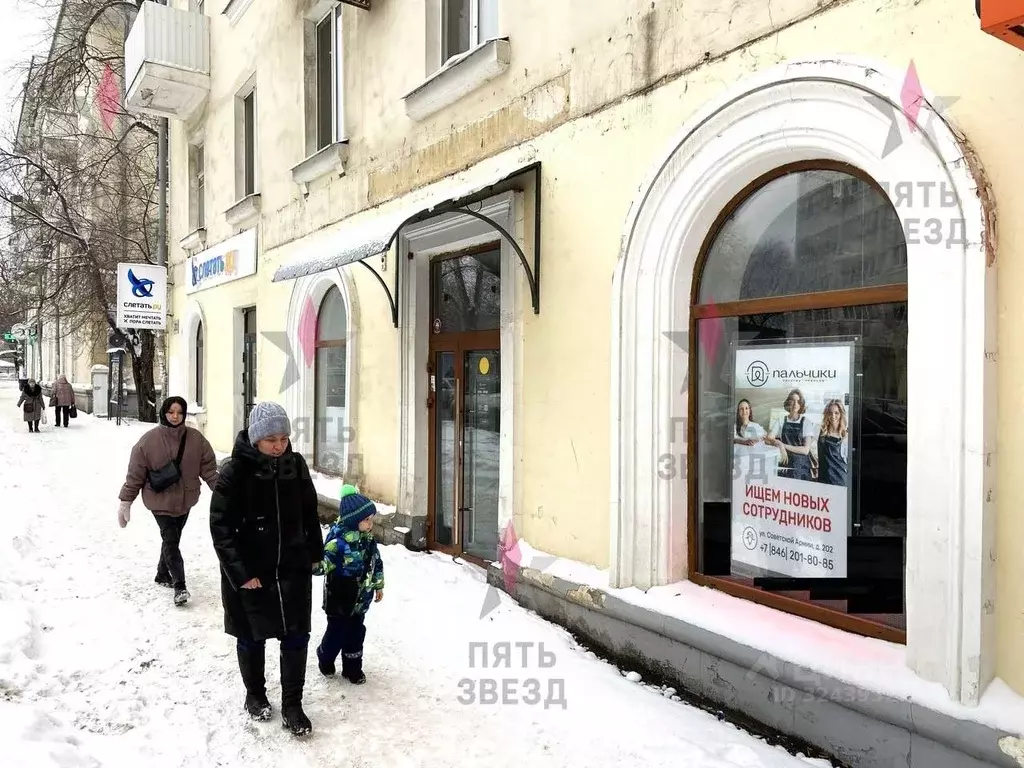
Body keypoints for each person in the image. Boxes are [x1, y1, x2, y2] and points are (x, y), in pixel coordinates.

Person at [208, 402, 323, 737]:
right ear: (256, 437)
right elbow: (220, 527)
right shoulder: (234, 471)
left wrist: (314, 554)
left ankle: (292, 704)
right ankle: (255, 694)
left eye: (284, 437)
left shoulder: (295, 465)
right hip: (251, 573)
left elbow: (309, 513)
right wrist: (241, 573)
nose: (279, 445)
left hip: (292, 569)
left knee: (296, 636)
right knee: (251, 637)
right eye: (271, 438)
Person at [117, 396, 220, 606]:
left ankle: (162, 573)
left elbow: (209, 470)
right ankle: (179, 585)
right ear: (164, 412)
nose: (175, 416)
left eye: (179, 412)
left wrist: (224, 493)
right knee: (171, 540)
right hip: (159, 502)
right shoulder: (148, 441)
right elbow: (135, 474)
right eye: (171, 412)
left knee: (172, 540)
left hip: (185, 500)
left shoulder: (196, 439)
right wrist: (126, 501)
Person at [314, 484, 385, 685]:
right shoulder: (338, 542)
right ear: (354, 521)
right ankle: (325, 657)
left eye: (371, 520)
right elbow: (323, 564)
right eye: (366, 520)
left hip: (360, 598)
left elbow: (376, 562)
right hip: (339, 598)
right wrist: (312, 564)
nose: (371, 524)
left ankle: (352, 669)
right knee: (336, 634)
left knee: (356, 634)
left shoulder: (368, 540)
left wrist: (378, 585)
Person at [766, 388, 816, 482]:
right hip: (785, 464)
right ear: (788, 403)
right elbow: (768, 439)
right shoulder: (781, 420)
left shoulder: (806, 422)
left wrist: (783, 445)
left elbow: (805, 450)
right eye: (792, 400)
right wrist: (779, 444)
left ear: (801, 404)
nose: (795, 404)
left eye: (798, 401)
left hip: (801, 468)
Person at [817, 399, 850, 487]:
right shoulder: (821, 433)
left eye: (836, 413)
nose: (833, 416)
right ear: (826, 414)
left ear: (841, 414)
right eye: (830, 412)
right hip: (823, 480)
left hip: (840, 480)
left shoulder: (846, 436)